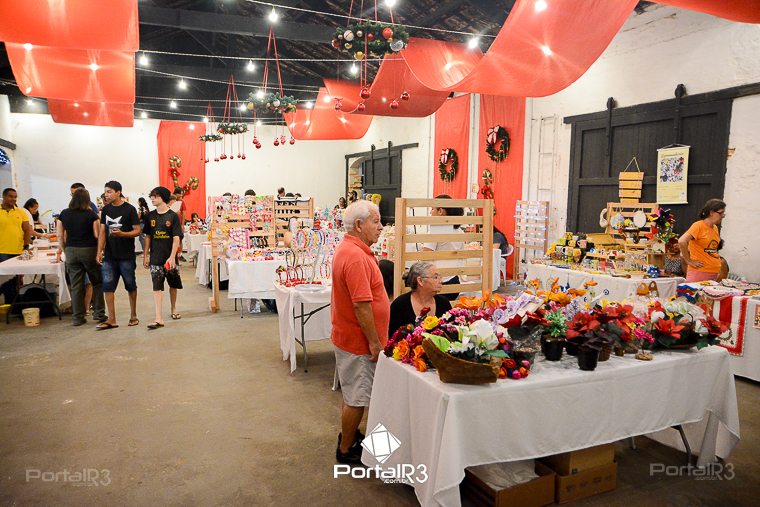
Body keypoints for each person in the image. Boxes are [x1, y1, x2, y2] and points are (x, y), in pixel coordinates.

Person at [331, 200, 389, 465]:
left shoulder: (352, 250)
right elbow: (361, 305)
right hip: (358, 341)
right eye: (376, 221)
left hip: (352, 337)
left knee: (354, 392)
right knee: (357, 397)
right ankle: (346, 450)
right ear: (358, 225)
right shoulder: (355, 256)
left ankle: (350, 436)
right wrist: (374, 343)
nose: (381, 226)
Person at [56, 188, 106, 326]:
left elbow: (59, 235)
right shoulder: (91, 215)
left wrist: (65, 250)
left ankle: (77, 317)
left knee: (76, 285)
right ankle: (99, 313)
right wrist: (100, 251)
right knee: (97, 282)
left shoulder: (64, 214)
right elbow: (97, 235)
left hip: (71, 250)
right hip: (89, 250)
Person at [97, 181, 141, 329]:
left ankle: (133, 315)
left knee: (130, 285)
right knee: (108, 287)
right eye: (105, 192)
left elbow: (137, 230)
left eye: (109, 191)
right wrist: (99, 251)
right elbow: (102, 232)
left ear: (118, 192)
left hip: (126, 255)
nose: (106, 195)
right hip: (109, 255)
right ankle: (111, 319)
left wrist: (123, 234)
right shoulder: (106, 209)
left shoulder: (130, 209)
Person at [143, 186, 183, 330]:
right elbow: (148, 236)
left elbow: (176, 238)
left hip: (170, 258)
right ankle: (158, 318)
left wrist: (172, 257)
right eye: (151, 196)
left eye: (155, 196)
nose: (152, 199)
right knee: (156, 287)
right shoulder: (150, 216)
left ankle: (173, 308)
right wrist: (146, 255)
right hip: (155, 258)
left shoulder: (173, 216)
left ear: (163, 197)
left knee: (173, 284)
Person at [388, 262, 452, 337]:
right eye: (435, 277)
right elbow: (392, 337)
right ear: (420, 281)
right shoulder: (400, 305)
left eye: (440, 277)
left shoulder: (443, 303)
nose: (441, 281)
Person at [421, 194, 465, 301]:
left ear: (440, 211)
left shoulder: (436, 230)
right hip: (454, 281)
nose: (430, 212)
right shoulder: (460, 231)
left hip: (438, 283)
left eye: (432, 209)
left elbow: (425, 258)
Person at [678, 198, 726, 282]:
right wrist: (689, 261)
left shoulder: (715, 228)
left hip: (713, 272)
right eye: (721, 213)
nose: (723, 216)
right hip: (700, 273)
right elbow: (682, 241)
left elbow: (711, 250)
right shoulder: (698, 226)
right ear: (711, 212)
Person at [0, 188, 32, 304]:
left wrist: (26, 246)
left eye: (15, 197)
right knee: (5, 279)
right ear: (4, 197)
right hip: (2, 251)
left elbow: (27, 230)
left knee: (17, 279)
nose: (14, 199)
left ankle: (14, 304)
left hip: (18, 251)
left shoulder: (21, 212)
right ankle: (10, 303)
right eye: (11, 196)